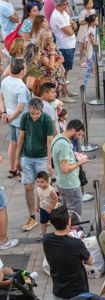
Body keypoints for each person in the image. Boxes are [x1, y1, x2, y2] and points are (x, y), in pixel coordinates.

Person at [42, 206, 92, 300]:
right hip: (77, 293)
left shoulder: (46, 239)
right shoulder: (76, 243)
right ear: (68, 222)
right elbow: (90, 261)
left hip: (58, 291)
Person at [18, 97, 54, 231]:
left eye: (37, 113)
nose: (34, 116)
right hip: (27, 157)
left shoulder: (47, 120)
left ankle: (48, 213)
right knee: (28, 187)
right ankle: (32, 216)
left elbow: (49, 142)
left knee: (45, 188)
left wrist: (49, 162)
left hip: (42, 157)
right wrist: (17, 159)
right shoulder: (25, 117)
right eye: (32, 113)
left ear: (41, 111)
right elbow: (21, 137)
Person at [51, 119, 87, 215]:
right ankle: (74, 229)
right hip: (70, 184)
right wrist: (81, 162)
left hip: (61, 182)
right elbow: (65, 169)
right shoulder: (64, 145)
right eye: (78, 134)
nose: (78, 137)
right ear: (73, 131)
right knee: (75, 213)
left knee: (66, 211)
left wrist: (74, 155)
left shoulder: (57, 137)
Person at [0, 58, 29, 178]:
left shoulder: (5, 81)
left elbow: (1, 98)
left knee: (13, 143)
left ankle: (12, 168)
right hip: (20, 121)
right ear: (22, 71)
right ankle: (21, 170)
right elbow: (21, 108)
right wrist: (11, 117)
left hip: (9, 118)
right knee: (22, 146)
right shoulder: (21, 87)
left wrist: (3, 113)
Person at [48, 0, 77, 93]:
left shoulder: (64, 13)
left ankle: (66, 90)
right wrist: (71, 27)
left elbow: (74, 24)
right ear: (58, 6)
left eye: (66, 4)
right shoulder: (57, 16)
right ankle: (64, 91)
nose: (66, 6)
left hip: (70, 44)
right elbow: (70, 32)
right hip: (64, 45)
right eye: (64, 5)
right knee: (64, 71)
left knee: (67, 70)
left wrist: (71, 26)